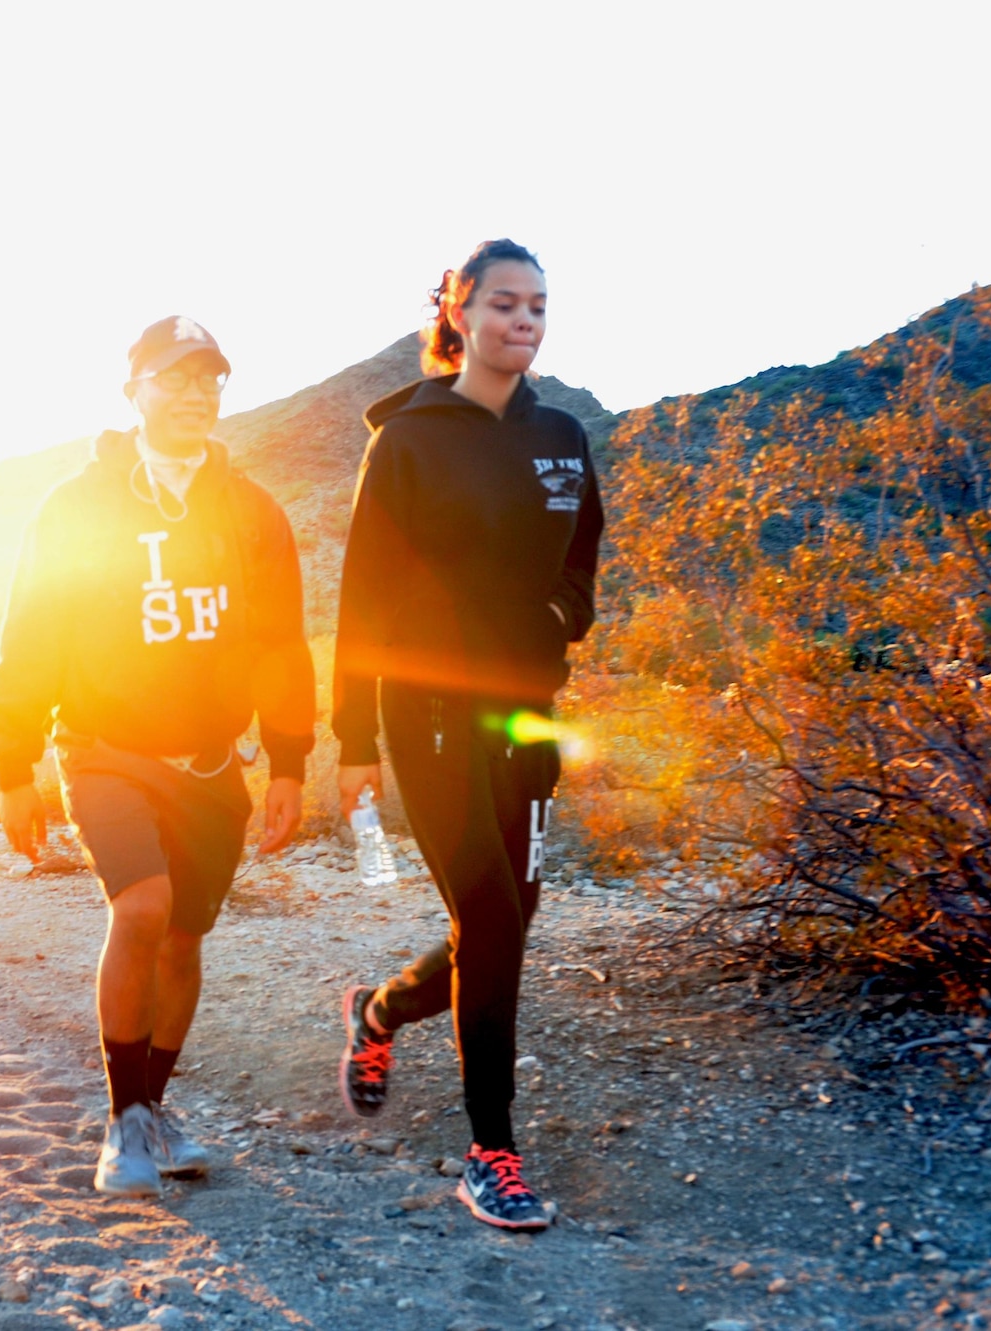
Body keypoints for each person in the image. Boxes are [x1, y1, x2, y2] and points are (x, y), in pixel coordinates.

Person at [0, 316, 314, 1198]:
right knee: (142, 906)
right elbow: (29, 639)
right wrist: (15, 767)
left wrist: (289, 761)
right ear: (133, 390)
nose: (194, 395)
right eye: (173, 378)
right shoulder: (77, 507)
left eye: (210, 380)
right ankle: (122, 1118)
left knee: (183, 936)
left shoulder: (251, 511)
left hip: (212, 761)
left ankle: (153, 1111)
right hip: (105, 749)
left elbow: (282, 646)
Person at [332, 240, 604, 1232]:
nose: (521, 319)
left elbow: (580, 566)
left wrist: (556, 620)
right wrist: (350, 739)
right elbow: (359, 599)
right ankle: (490, 1148)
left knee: (501, 922)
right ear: (457, 310)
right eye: (501, 302)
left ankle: (378, 1012)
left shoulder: (564, 437)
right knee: (489, 914)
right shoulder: (404, 442)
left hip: (524, 710)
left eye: (536, 304)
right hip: (429, 714)